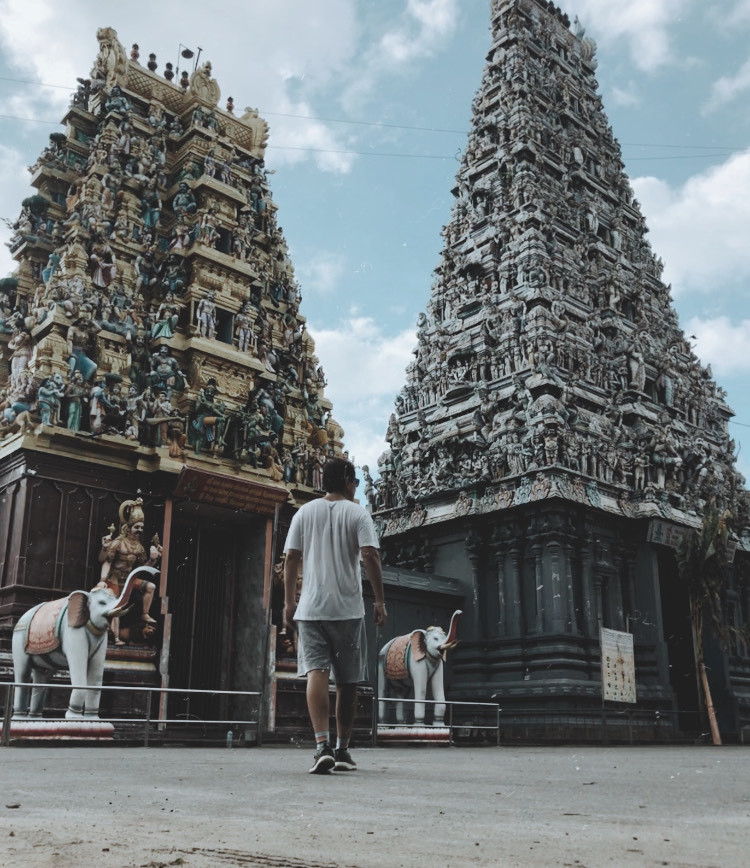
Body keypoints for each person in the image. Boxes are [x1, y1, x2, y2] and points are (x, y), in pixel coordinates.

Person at [284, 457, 387, 774]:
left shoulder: (304, 512)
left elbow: (290, 557)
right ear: (347, 481)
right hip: (347, 609)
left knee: (316, 672)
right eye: (355, 482)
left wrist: (289, 601)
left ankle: (321, 746)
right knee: (347, 682)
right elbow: (369, 555)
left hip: (311, 608)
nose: (356, 488)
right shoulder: (357, 513)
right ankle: (342, 749)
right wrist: (380, 600)